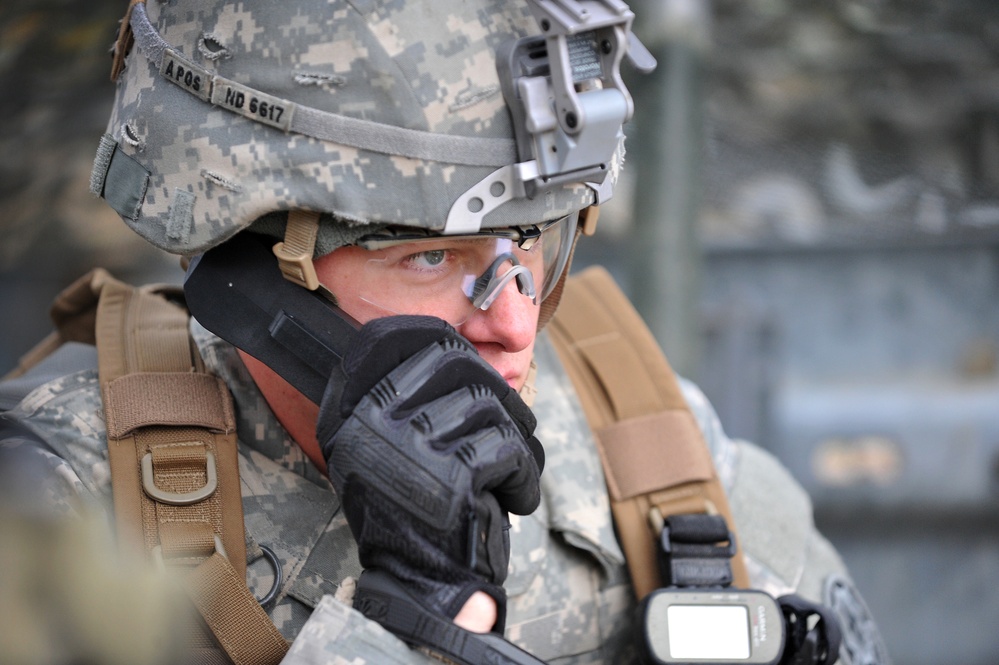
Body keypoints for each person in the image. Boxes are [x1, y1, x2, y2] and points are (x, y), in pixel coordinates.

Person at [0, 0, 889, 664]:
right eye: (429, 259)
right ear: (254, 273)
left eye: (533, 242)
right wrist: (417, 622)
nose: (513, 322)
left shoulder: (661, 461)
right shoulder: (64, 517)